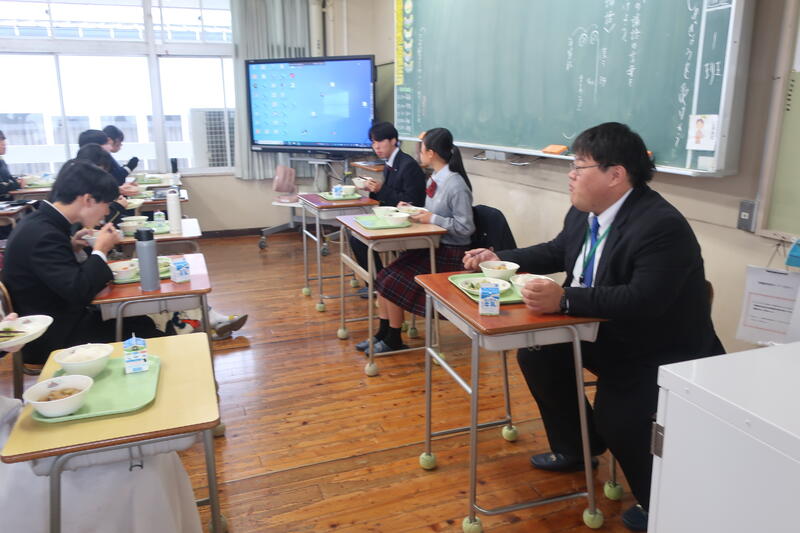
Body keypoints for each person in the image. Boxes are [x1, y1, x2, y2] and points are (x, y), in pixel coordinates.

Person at [463, 122, 724, 532]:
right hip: (598, 327)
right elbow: (557, 250)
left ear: (615, 174)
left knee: (618, 416)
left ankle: (660, 504)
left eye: (578, 167)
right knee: (538, 354)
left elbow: (644, 299)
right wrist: (499, 257)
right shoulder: (585, 212)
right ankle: (576, 448)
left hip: (656, 346)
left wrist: (565, 299)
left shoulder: (660, 225)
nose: (570, 175)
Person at [0, 312, 202, 533]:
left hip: (11, 418)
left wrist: (5, 339)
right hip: (9, 452)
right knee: (136, 465)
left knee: (146, 448)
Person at [1, 159, 165, 364]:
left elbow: (55, 273)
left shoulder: (40, 221)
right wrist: (100, 250)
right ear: (88, 199)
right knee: (151, 335)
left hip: (61, 319)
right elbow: (80, 291)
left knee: (140, 321)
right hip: (54, 335)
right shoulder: (45, 234)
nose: (107, 212)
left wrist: (73, 248)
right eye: (106, 204)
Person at [358, 127, 474, 353]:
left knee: (390, 282)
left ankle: (393, 338)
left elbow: (465, 228)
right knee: (383, 277)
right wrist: (413, 209)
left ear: (431, 153)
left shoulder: (455, 184)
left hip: (450, 252)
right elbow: (432, 213)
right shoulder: (435, 178)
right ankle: (383, 333)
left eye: (421, 149)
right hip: (432, 245)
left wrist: (432, 218)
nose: (418, 153)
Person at [350, 122, 427, 295]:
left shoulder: (408, 165)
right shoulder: (391, 163)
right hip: (392, 218)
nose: (376, 147)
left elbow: (412, 202)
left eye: (380, 141)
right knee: (356, 235)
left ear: (393, 140)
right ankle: (378, 283)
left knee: (359, 239)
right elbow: (388, 195)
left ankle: (378, 285)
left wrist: (381, 189)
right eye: (373, 142)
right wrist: (372, 188)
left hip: (408, 222)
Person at [76, 142, 130, 226]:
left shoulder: (82, 181)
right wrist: (117, 206)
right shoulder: (79, 190)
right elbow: (95, 222)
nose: (102, 176)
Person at [0, 129, 25, 200]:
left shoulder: (1, 160)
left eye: (3, 140)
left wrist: (17, 180)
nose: (4, 145)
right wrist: (17, 184)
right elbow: (1, 187)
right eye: (1, 141)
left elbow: (8, 178)